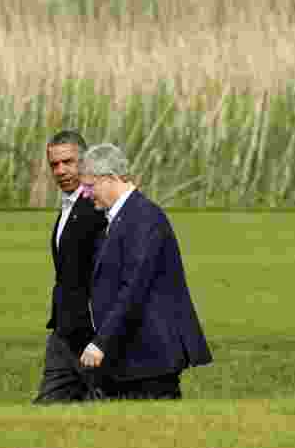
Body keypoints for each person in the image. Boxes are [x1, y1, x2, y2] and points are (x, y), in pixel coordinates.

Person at [77, 143, 212, 400]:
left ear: (110, 178)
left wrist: (100, 342)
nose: (85, 194)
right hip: (131, 357)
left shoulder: (144, 218)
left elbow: (133, 288)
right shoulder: (118, 218)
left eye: (90, 186)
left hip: (151, 358)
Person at [33, 130, 109, 403]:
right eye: (55, 164)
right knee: (48, 404)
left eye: (69, 162)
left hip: (90, 330)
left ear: (85, 162)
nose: (61, 170)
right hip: (64, 329)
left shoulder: (97, 206)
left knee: (102, 404)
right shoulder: (69, 206)